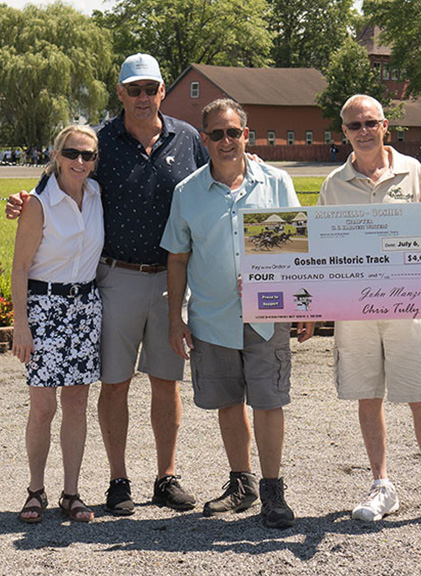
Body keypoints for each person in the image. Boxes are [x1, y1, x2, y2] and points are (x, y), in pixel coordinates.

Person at [6, 54, 208, 516]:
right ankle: (118, 481)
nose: (142, 96)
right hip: (115, 277)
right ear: (120, 93)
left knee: (165, 382)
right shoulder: (102, 142)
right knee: (114, 383)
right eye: (132, 89)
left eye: (150, 88)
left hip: (171, 279)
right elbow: (56, 180)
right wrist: (23, 200)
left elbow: (216, 176)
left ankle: (166, 476)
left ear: (162, 91)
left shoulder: (188, 138)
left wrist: (245, 155)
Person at [161, 98, 314, 529]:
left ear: (246, 135)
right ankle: (241, 483)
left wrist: (305, 303)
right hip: (212, 317)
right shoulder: (187, 193)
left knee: (268, 402)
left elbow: (296, 249)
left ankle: (272, 490)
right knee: (228, 402)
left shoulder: (277, 182)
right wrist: (177, 318)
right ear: (204, 138)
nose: (226, 141)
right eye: (216, 134)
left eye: (234, 132)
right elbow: (177, 258)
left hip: (269, 317)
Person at [318, 94, 421, 530]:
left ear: (385, 127)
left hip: (406, 303)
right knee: (368, 395)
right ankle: (382, 485)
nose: (363, 131)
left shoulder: (412, 171)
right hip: (355, 308)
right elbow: (318, 246)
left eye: (370, 123)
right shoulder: (333, 184)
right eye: (354, 125)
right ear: (343, 132)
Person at [10, 125, 104, 524]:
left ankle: (72, 492)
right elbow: (20, 266)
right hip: (44, 308)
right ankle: (35, 490)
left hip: (85, 308)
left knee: (77, 404)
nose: (79, 162)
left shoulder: (98, 196)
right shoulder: (38, 204)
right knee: (43, 407)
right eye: (72, 153)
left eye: (87, 155)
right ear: (56, 155)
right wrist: (21, 324)